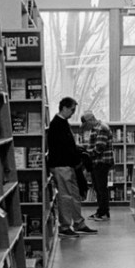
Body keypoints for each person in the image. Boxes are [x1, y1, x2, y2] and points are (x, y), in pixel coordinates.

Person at [46, 97, 98, 237]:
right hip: (61, 165)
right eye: (72, 109)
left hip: (70, 166)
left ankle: (79, 223)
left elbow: (67, 145)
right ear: (64, 108)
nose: (73, 113)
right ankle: (64, 226)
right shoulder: (56, 124)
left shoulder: (63, 123)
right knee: (65, 197)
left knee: (75, 195)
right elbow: (62, 147)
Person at [81, 110, 114, 221]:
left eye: (86, 124)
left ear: (91, 120)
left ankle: (104, 213)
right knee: (97, 188)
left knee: (101, 188)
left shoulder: (102, 128)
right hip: (96, 162)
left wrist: (86, 155)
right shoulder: (95, 129)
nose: (86, 127)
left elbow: (99, 148)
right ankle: (101, 211)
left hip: (102, 162)